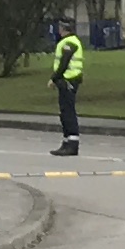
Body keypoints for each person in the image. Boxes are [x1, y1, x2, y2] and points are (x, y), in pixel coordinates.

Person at [49, 22, 85, 156]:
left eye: (60, 28)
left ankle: (72, 144)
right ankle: (66, 142)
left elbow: (64, 63)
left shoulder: (70, 43)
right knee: (64, 112)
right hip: (66, 81)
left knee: (69, 112)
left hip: (69, 80)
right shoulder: (68, 42)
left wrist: (53, 78)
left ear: (64, 29)